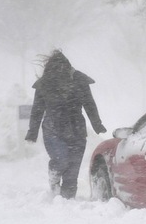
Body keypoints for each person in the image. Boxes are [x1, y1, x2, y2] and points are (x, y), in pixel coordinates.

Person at [25, 50, 106, 199]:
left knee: (72, 171)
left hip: (77, 131)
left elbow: (89, 104)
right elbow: (37, 109)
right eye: (57, 69)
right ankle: (54, 178)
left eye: (62, 68)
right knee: (61, 159)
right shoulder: (44, 84)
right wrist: (32, 131)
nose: (60, 72)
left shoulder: (79, 81)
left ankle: (67, 201)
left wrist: (97, 124)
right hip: (53, 130)